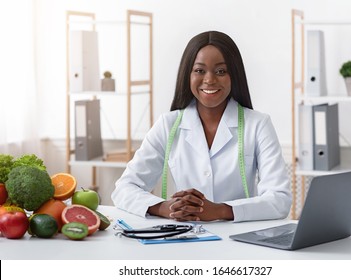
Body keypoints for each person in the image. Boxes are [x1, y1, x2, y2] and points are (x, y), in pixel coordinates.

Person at [112, 31, 292, 222]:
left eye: (221, 71)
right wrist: (164, 207)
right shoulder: (168, 125)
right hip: (184, 239)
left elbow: (279, 200)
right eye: (199, 70)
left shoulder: (258, 124)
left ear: (234, 75)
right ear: (187, 75)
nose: (209, 80)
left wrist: (221, 210)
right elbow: (124, 189)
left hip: (239, 243)